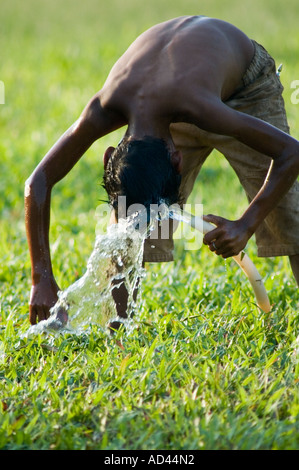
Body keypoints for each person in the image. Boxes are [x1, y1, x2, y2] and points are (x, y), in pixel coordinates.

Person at [25, 15, 299, 326]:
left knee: (289, 213)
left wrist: (246, 225)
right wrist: (40, 279)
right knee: (129, 219)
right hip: (184, 91)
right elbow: (37, 182)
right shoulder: (107, 104)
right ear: (110, 157)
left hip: (245, 90)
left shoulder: (201, 106)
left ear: (176, 158)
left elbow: (291, 152)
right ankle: (120, 328)